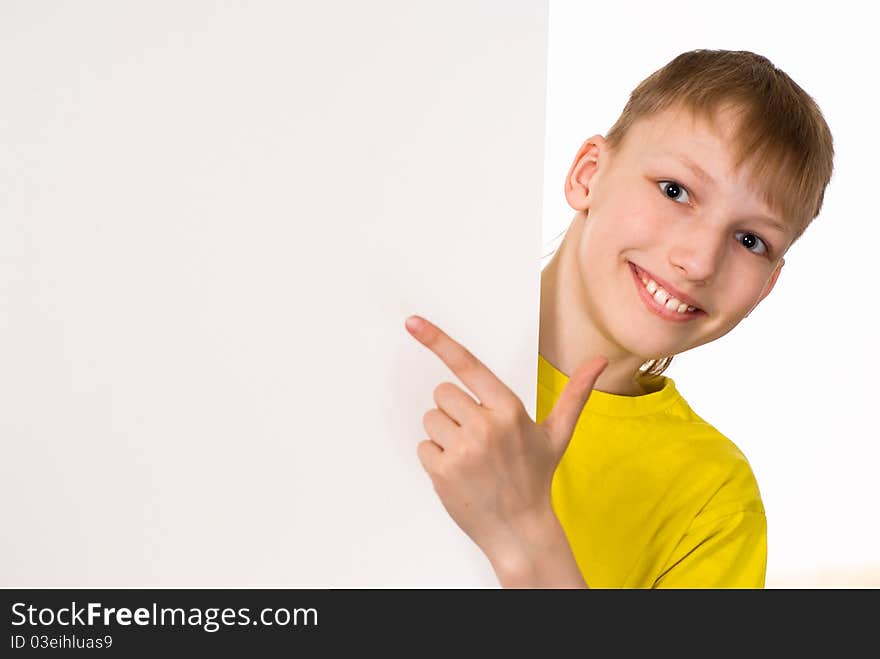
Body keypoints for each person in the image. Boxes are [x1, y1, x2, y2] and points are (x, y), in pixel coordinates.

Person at [404, 49, 834, 588]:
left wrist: (525, 533)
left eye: (751, 240)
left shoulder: (714, 502)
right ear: (588, 175)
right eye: (676, 191)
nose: (698, 262)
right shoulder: (411, 332)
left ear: (769, 285)